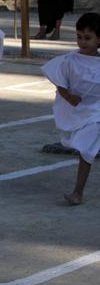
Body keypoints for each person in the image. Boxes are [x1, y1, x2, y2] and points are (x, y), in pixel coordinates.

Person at [41, 12, 100, 205]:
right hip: (77, 111)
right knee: (81, 145)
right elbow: (59, 81)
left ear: (99, 40)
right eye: (79, 37)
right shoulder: (69, 60)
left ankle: (78, 192)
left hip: (96, 112)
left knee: (86, 148)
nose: (82, 42)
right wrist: (68, 96)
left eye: (88, 38)